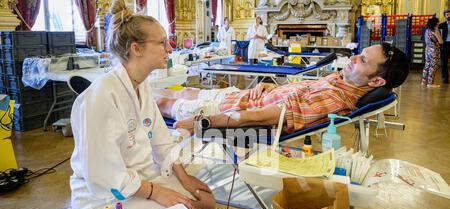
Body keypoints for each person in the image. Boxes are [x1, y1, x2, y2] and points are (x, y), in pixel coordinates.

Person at [69, 0, 215, 209]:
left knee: (207, 200)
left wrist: (185, 179)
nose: (170, 49)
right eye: (162, 43)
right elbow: (104, 175)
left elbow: (161, 143)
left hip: (141, 180)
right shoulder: (101, 97)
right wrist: (157, 193)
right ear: (136, 49)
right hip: (107, 198)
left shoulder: (142, 87)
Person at [154, 43, 409, 135]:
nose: (353, 59)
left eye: (362, 60)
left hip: (227, 109)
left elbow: (267, 116)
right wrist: (270, 88)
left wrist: (204, 123)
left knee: (160, 102)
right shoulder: (336, 81)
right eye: (359, 54)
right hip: (239, 97)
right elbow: (296, 94)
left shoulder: (336, 99)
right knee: (181, 91)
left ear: (376, 81)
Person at [422, 17, 444, 88]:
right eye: (438, 22)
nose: (438, 23)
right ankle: (430, 83)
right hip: (434, 50)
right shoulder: (435, 31)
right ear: (435, 23)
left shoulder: (427, 30)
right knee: (433, 66)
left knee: (427, 65)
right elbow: (441, 41)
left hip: (427, 49)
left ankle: (424, 81)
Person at [438, 9, 450, 84]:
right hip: (445, 45)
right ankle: (445, 78)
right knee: (444, 62)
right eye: (447, 15)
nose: (449, 16)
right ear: (445, 16)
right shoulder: (441, 25)